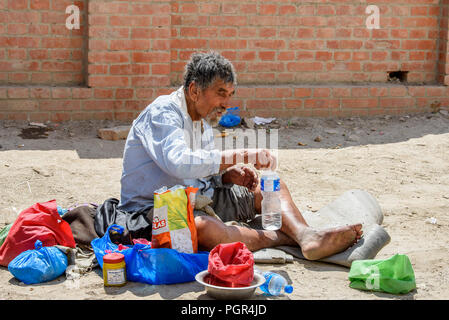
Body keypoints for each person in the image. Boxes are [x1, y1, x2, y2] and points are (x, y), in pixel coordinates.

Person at [117, 51, 362, 261]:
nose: (226, 103)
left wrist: (224, 177)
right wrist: (242, 154)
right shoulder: (163, 113)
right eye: (220, 93)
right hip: (152, 210)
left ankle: (305, 236)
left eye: (230, 94)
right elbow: (179, 163)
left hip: (198, 199)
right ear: (194, 90)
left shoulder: (201, 119)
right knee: (203, 228)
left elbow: (200, 170)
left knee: (270, 187)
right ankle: (279, 237)